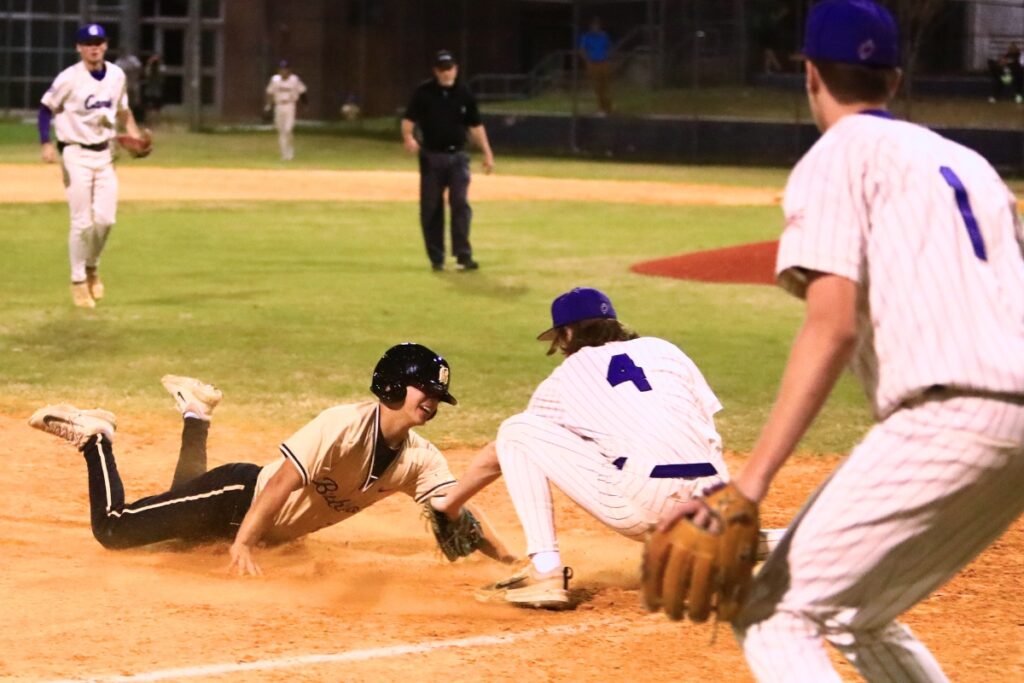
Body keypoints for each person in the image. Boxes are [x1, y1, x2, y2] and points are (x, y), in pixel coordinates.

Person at [657, 1, 1024, 680]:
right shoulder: (969, 164)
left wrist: (750, 483)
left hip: (947, 417)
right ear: (892, 76)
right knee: (858, 612)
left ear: (810, 75)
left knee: (772, 614)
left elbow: (833, 325)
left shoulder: (835, 157)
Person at [431, 287, 784, 609]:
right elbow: (701, 422)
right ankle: (794, 542)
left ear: (567, 333)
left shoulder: (564, 378)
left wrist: (449, 504)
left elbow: (504, 451)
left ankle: (546, 572)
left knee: (516, 429)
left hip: (647, 502)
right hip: (718, 495)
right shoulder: (666, 350)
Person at [28, 343, 512, 575]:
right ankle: (97, 438)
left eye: (436, 396)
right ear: (390, 387)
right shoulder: (342, 424)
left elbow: (456, 507)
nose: (431, 401)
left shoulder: (420, 460)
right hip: (236, 499)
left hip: (250, 521)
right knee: (115, 530)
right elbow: (282, 482)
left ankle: (196, 414)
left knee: (176, 528)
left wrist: (511, 558)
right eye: (424, 390)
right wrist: (243, 544)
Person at [38, 23, 145, 309]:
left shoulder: (117, 76)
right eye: (87, 43)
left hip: (106, 154)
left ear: (106, 46)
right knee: (82, 222)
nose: (93, 47)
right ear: (79, 48)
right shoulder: (69, 79)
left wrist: (133, 134)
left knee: (106, 219)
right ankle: (77, 282)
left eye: (98, 42)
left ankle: (91, 267)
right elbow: (45, 109)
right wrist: (46, 143)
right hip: (75, 154)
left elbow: (123, 110)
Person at [401, 50, 494, 272]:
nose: (446, 72)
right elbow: (408, 119)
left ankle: (463, 254)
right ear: (436, 71)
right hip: (432, 156)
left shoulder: (464, 93)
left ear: (456, 69)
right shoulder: (424, 92)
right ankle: (437, 257)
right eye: (442, 69)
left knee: (460, 204)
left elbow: (476, 125)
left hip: (458, 157)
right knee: (431, 208)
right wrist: (408, 137)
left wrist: (487, 152)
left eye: (449, 68)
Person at [265, 60, 307, 161]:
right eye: (281, 69)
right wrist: (268, 105)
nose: (283, 71)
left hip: (290, 105)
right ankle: (284, 155)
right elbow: (269, 92)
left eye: (285, 69)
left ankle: (290, 151)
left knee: (288, 129)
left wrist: (305, 104)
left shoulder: (294, 79)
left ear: (289, 70)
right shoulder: (275, 80)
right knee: (281, 131)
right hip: (279, 106)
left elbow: (302, 91)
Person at [579, 17, 613, 115]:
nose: (595, 27)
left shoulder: (604, 36)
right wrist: (587, 60)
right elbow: (582, 50)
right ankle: (601, 108)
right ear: (590, 27)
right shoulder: (586, 37)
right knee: (597, 87)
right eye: (593, 26)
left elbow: (609, 47)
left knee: (606, 86)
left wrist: (608, 58)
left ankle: (608, 108)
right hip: (593, 63)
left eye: (597, 25)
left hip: (604, 63)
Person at [114, 50, 144, 122]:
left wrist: (132, 72)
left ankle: (137, 119)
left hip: (133, 83)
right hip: (123, 86)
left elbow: (139, 68)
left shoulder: (133, 60)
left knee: (135, 102)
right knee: (125, 103)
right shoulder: (118, 62)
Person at [140, 53, 165, 127]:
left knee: (154, 108)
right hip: (153, 91)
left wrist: (150, 64)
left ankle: (152, 123)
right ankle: (151, 123)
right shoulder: (160, 69)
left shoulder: (158, 69)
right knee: (151, 108)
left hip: (153, 91)